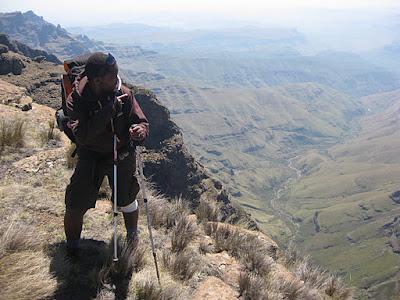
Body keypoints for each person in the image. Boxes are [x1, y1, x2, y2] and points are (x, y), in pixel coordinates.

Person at [63, 52, 149, 253]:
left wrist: (140, 131)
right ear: (97, 80)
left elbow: (141, 120)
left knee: (126, 197)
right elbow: (83, 135)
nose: (117, 79)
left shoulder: (124, 93)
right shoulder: (77, 100)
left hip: (121, 153)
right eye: (112, 76)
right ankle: (72, 248)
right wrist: (108, 111)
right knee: (76, 203)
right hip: (91, 155)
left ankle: (132, 236)